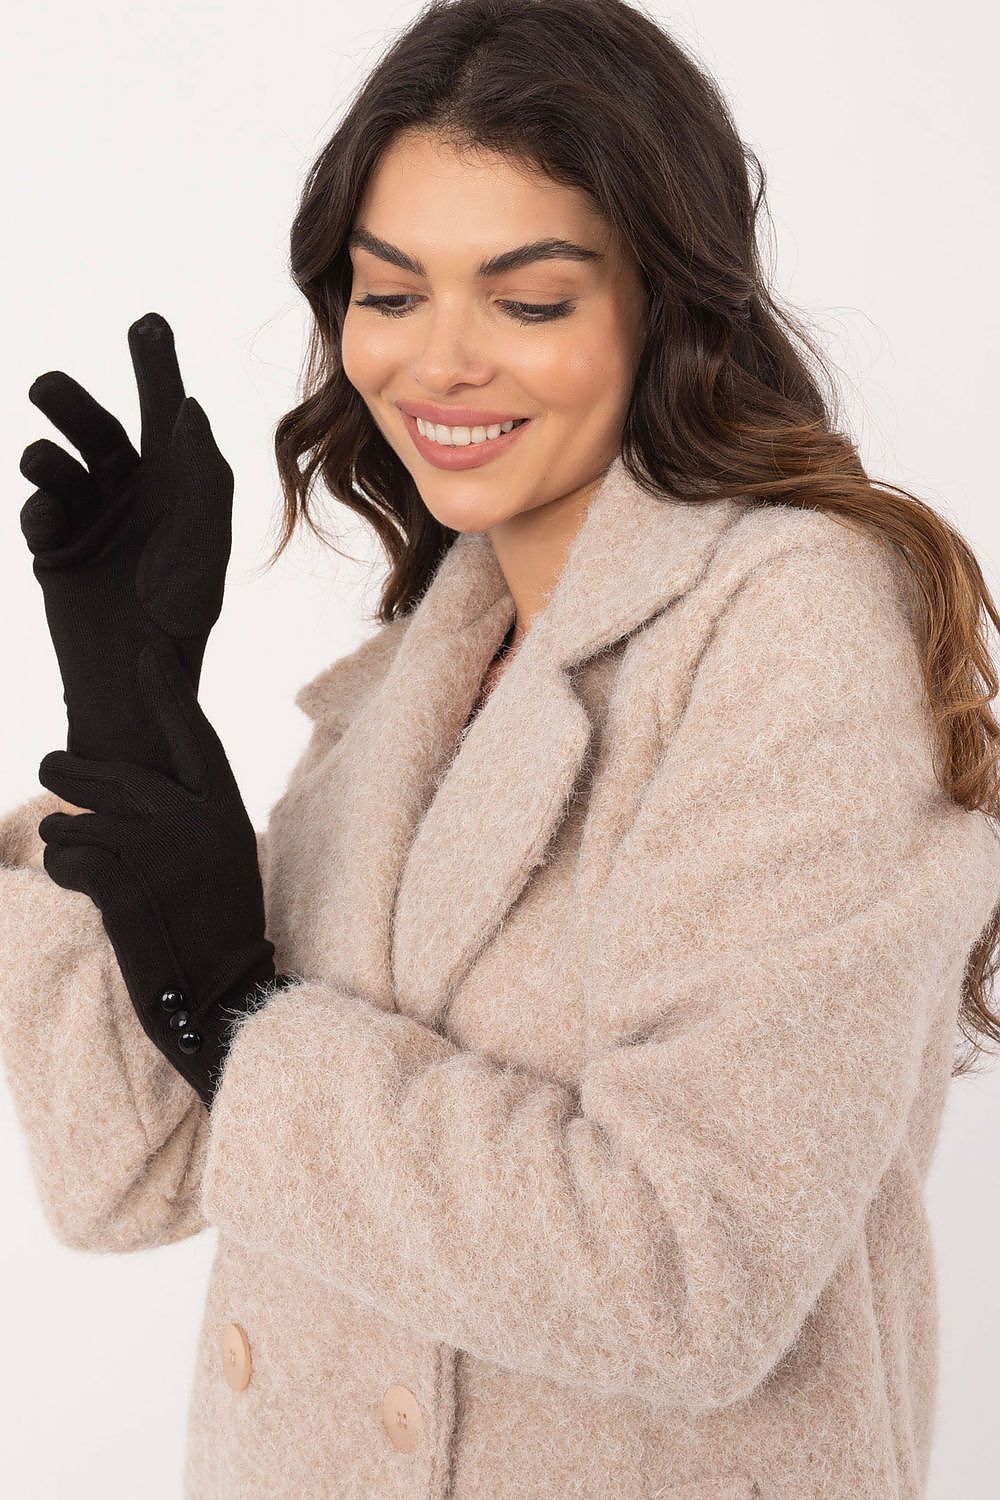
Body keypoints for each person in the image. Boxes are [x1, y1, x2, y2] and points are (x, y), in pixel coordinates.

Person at [3, 2, 1000, 1497]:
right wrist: (126, 716)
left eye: (529, 301)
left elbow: (689, 1277)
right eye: (390, 293)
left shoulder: (793, 625)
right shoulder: (434, 658)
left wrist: (246, 1011)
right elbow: (130, 1178)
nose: (441, 362)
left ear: (668, 304)